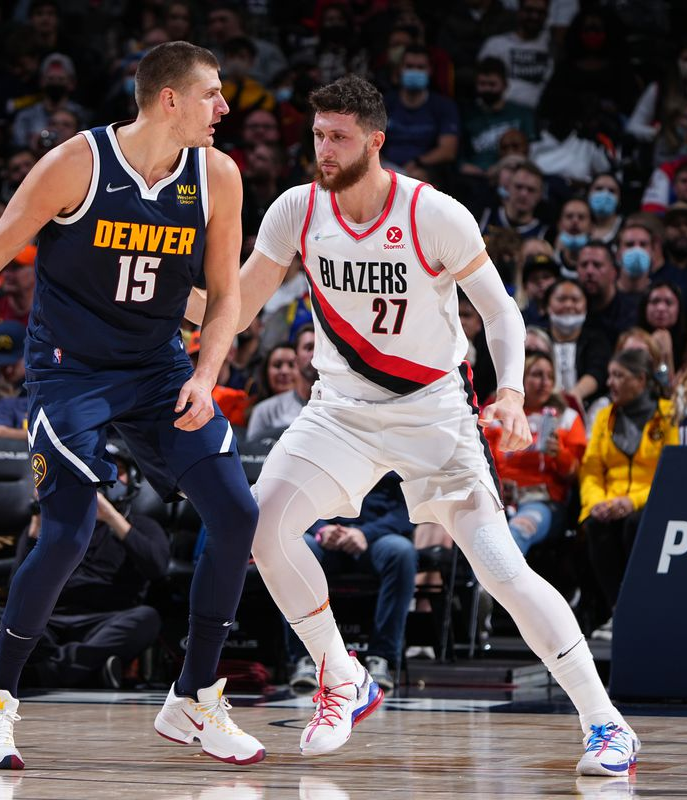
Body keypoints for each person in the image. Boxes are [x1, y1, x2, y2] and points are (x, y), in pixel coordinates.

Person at [186, 74, 639, 776]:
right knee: (261, 526)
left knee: (501, 571)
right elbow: (239, 309)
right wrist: (162, 297)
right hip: (339, 410)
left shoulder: (433, 213)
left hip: (434, 412)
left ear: (375, 140)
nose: (324, 149)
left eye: (338, 137)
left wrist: (510, 392)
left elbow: (501, 311)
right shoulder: (296, 209)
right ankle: (342, 675)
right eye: (317, 135)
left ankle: (606, 723)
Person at [0, 41, 264, 769]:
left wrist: (205, 373)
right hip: (71, 371)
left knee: (236, 513)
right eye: (212, 94)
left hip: (159, 367)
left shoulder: (217, 175)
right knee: (65, 535)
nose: (225, 107)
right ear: (169, 100)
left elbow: (227, 299)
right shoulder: (77, 163)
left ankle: (194, 697)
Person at [0, 442, 168, 689]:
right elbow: (17, 587)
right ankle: (81, 669)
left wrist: (111, 517)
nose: (104, 479)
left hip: (104, 621)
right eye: (95, 471)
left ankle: (42, 670)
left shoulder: (143, 525)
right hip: (47, 623)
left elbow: (157, 568)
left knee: (147, 618)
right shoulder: (55, 527)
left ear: (133, 481)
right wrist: (39, 518)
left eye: (117, 471)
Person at [285, 473, 417, 693]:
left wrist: (366, 533)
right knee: (298, 548)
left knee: (402, 552)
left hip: (376, 537)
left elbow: (407, 510)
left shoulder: (397, 453)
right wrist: (320, 528)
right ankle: (305, 658)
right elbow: (297, 497)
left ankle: (381, 657)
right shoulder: (322, 451)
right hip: (324, 536)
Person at [579, 349, 678, 641]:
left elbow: (672, 473)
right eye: (610, 375)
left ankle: (642, 609)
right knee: (595, 525)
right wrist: (596, 503)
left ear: (641, 379)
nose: (610, 382)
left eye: (618, 376)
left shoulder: (668, 415)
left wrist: (632, 501)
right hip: (610, 502)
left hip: (652, 502)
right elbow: (590, 470)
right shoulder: (604, 417)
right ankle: (618, 611)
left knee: (635, 524)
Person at [484, 353, 586, 554]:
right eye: (537, 375)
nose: (545, 382)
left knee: (519, 529)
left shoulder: (567, 417)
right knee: (482, 535)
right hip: (500, 501)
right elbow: (483, 463)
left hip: (544, 503)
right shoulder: (497, 415)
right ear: (520, 378)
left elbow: (575, 474)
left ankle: (494, 576)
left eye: (550, 376)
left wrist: (559, 454)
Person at [246, 325, 314, 440]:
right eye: (277, 365)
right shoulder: (262, 410)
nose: (284, 371)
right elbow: (251, 449)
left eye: (291, 365)